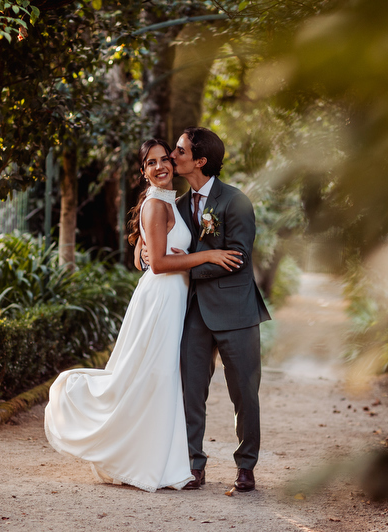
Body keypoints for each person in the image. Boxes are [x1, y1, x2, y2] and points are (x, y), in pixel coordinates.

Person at [44, 139, 242, 492]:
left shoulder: (171, 202)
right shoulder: (155, 204)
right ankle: (146, 460)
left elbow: (146, 254)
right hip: (162, 298)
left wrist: (142, 249)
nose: (161, 166)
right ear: (143, 171)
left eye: (165, 159)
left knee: (161, 377)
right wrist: (208, 256)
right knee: (156, 374)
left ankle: (159, 459)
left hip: (174, 297)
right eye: (152, 162)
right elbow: (161, 264)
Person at [140, 127, 271, 492]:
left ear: (199, 161)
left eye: (178, 151)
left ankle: (246, 466)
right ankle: (192, 464)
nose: (171, 157)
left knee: (244, 393)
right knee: (189, 390)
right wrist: (145, 254)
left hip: (237, 312)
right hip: (193, 311)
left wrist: (188, 264)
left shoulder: (236, 201)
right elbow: (152, 244)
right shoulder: (176, 204)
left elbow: (238, 258)